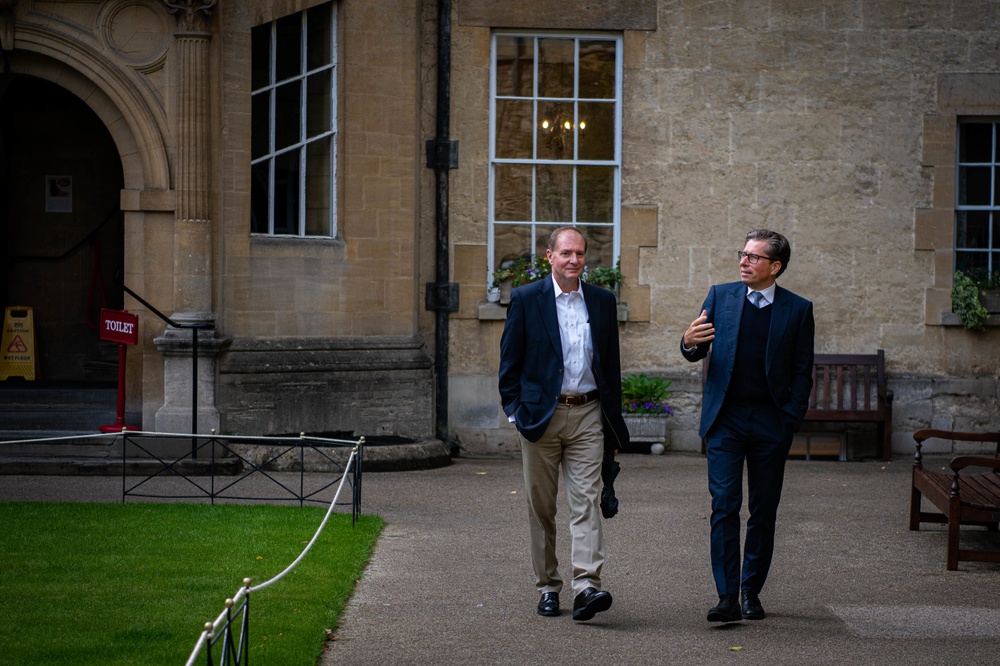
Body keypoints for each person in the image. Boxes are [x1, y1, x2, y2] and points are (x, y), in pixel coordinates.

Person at [681, 228, 814, 623]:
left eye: (753, 257)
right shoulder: (720, 296)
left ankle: (750, 590)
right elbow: (695, 349)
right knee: (724, 505)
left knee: (763, 509)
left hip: (771, 422)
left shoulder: (798, 309)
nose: (743, 261)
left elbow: (803, 372)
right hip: (726, 419)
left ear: (775, 267)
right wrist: (688, 342)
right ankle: (727, 597)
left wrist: (790, 419)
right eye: (743, 254)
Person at [499, 226, 630, 622]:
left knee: (586, 501)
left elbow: (611, 368)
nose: (574, 260)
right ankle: (548, 587)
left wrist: (612, 425)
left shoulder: (603, 302)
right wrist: (516, 413)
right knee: (541, 507)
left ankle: (587, 586)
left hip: (589, 414)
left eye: (580, 254)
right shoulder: (525, 299)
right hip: (541, 417)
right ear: (549, 256)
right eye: (566, 253)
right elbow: (509, 365)